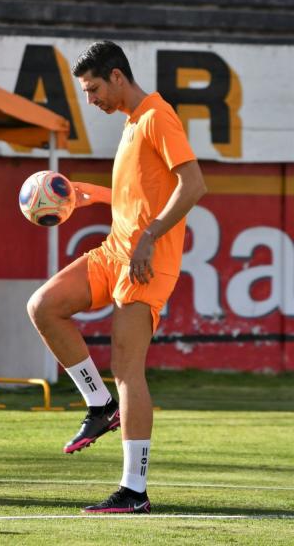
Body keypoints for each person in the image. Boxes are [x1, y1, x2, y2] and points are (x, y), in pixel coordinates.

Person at [27, 40, 207, 514]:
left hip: (147, 262)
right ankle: (98, 406)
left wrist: (149, 237)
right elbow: (141, 194)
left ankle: (134, 491)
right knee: (44, 307)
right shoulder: (131, 124)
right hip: (115, 253)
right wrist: (94, 194)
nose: (91, 100)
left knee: (128, 370)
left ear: (117, 77)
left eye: (93, 89)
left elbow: (193, 185)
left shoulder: (156, 116)